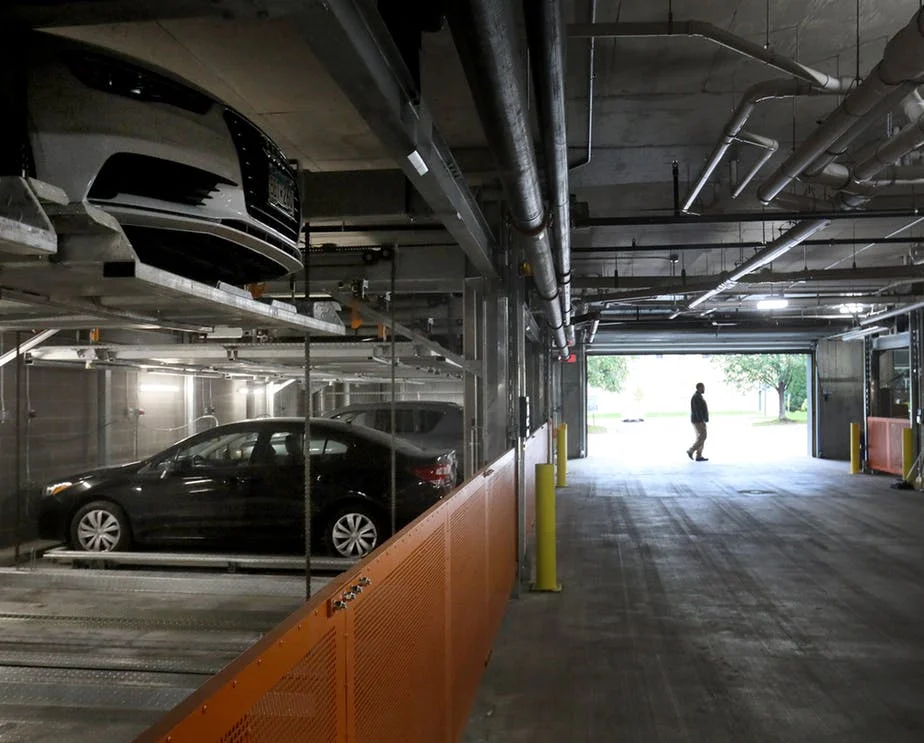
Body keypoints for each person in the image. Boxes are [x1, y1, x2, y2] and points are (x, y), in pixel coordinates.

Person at [686, 382, 709, 461]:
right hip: (698, 420)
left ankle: (699, 455)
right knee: (703, 436)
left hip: (698, 420)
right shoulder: (696, 397)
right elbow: (697, 411)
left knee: (700, 437)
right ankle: (691, 450)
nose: (704, 389)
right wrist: (701, 420)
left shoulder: (698, 396)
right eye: (703, 387)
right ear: (699, 388)